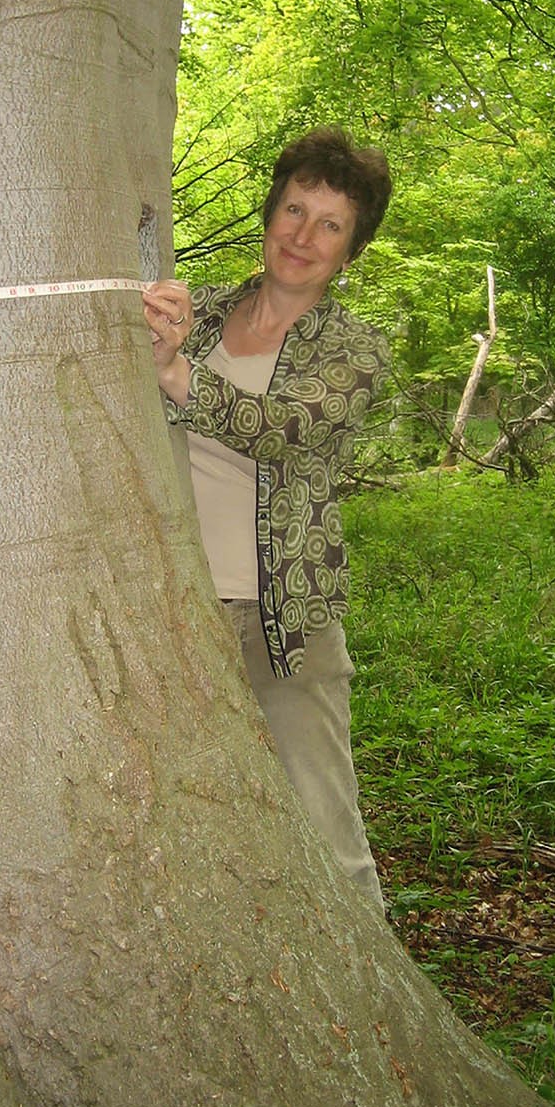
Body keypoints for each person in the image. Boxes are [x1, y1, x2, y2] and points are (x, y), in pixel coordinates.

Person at [143, 127, 392, 908]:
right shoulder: (202, 314)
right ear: (269, 212)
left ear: (349, 252)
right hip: (172, 609)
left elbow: (285, 428)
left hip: (283, 624)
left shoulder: (354, 348)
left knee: (326, 829)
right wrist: (154, 339)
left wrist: (177, 374)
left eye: (329, 225)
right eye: (293, 210)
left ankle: (368, 971)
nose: (302, 236)